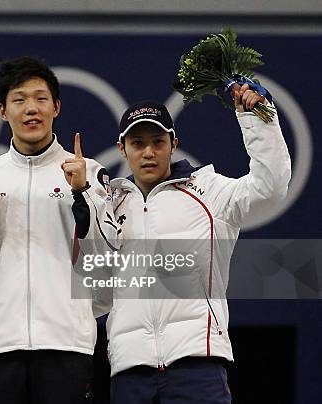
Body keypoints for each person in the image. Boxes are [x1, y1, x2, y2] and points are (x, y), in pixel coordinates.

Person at [0, 56, 119, 403]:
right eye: (20, 99)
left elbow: (106, 262)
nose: (32, 109)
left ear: (56, 107)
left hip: (66, 343)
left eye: (41, 99)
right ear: (2, 110)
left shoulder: (89, 174)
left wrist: (82, 193)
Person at [106, 85, 291, 403]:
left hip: (197, 365)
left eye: (158, 142)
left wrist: (259, 120)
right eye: (137, 143)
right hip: (129, 371)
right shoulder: (107, 205)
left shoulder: (209, 192)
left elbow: (270, 190)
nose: (148, 152)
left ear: (173, 144)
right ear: (121, 148)